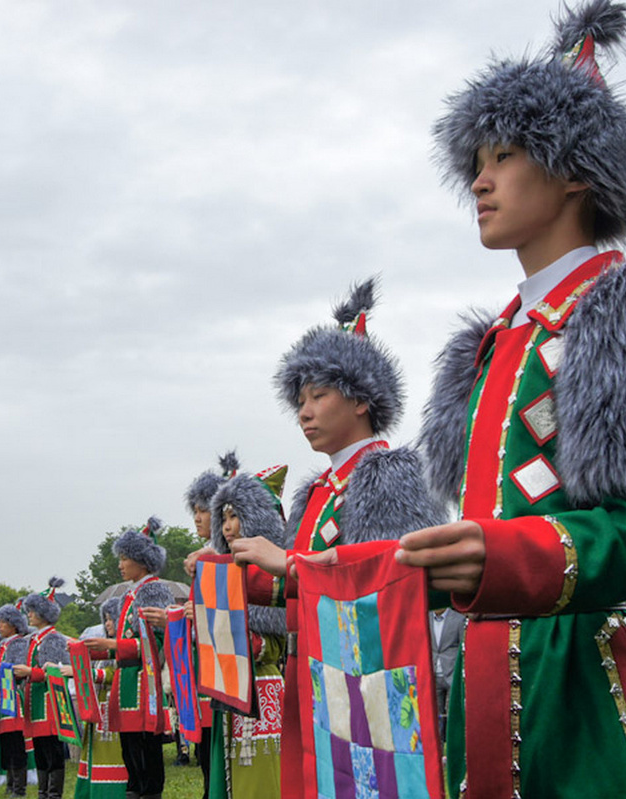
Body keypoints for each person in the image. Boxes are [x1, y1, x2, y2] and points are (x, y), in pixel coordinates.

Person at [403, 2, 626, 796]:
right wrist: (328, 574)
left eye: (504, 156)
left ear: (575, 171)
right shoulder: (488, 345)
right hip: (481, 680)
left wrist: (510, 556)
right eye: (476, 161)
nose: (479, 180)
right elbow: (478, 528)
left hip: (588, 683)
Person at [227, 278, 443, 799]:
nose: (304, 412)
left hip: (367, 684)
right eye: (300, 400)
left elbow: (392, 581)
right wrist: (229, 581)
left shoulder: (392, 473)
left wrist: (290, 564)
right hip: (313, 672)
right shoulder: (317, 491)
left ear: (362, 400)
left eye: (318, 396)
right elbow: (300, 593)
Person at [206, 465, 289, 799]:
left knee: (260, 779)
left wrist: (235, 639)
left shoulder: (273, 572)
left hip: (261, 686)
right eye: (223, 518)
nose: (227, 527)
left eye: (235, 516)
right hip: (229, 687)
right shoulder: (221, 573)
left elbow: (276, 643)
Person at [83, 518, 174, 799]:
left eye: (124, 558)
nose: (120, 565)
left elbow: (155, 644)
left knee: (146, 748)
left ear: (142, 561)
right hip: (126, 682)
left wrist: (112, 644)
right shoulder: (129, 596)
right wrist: (91, 650)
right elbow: (123, 643)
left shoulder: (154, 591)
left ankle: (149, 793)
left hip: (144, 683)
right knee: (130, 749)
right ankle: (134, 790)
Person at [181, 450, 239, 795]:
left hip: (234, 669)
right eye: (195, 511)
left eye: (203, 510)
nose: (197, 518)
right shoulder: (204, 560)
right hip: (208, 668)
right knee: (209, 756)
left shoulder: (225, 560)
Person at [13, 578, 72, 799]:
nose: (28, 615)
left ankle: (53, 794)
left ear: (44, 614)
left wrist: (30, 672)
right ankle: (42, 792)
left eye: (33, 611)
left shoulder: (54, 639)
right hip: (36, 701)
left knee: (52, 751)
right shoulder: (33, 639)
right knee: (39, 751)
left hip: (50, 703)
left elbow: (57, 672)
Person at [74, 597, 128, 799]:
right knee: (96, 751)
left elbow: (119, 672)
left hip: (116, 706)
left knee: (111, 752)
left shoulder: (123, 647)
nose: (107, 624)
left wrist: (92, 674)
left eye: (111, 619)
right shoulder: (106, 649)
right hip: (100, 705)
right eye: (105, 619)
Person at [0, 602, 32, 796]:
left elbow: (16, 671)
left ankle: (19, 786)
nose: (0, 626)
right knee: (6, 743)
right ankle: (11, 783)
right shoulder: (2, 645)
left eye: (3, 622)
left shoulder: (19, 643)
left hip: (14, 699)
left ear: (13, 624)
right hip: (2, 698)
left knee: (15, 743)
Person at [429, 605, 467, 736]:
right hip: (433, 673)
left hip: (452, 673)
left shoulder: (458, 619)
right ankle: (438, 744)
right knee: (435, 713)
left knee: (452, 712)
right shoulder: (425, 618)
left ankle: (453, 741)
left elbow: (463, 646)